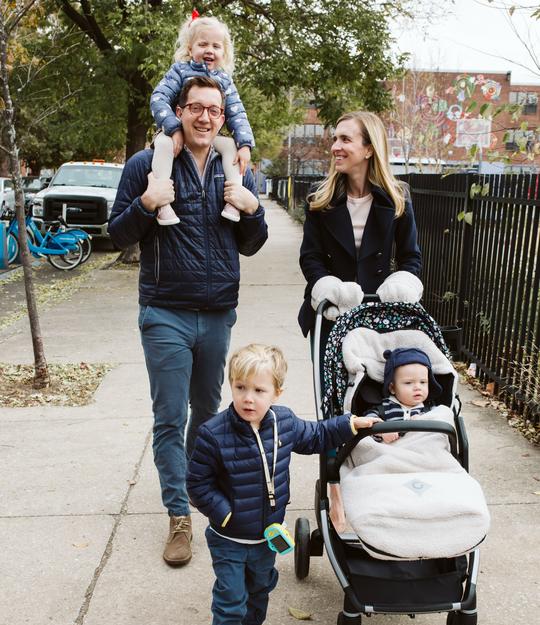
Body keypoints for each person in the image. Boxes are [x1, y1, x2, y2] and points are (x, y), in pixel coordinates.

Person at [108, 76, 268, 568]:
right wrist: (147, 203)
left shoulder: (235, 167)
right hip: (165, 312)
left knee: (207, 409)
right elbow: (116, 234)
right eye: (194, 107)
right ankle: (179, 516)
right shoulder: (146, 164)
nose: (203, 117)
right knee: (170, 417)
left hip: (218, 311)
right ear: (179, 111)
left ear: (223, 118)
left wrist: (254, 209)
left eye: (213, 110)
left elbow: (251, 243)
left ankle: (196, 486)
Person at [186, 344, 377, 625]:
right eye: (240, 387)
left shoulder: (284, 422)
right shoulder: (213, 434)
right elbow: (197, 484)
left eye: (259, 390)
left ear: (276, 393)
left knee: (261, 586)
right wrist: (224, 513)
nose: (248, 398)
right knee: (230, 597)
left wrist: (350, 424)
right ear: (231, 385)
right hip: (228, 538)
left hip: (267, 536)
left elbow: (317, 436)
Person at [297, 110, 423, 532]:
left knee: (380, 401)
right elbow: (310, 257)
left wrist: (401, 284)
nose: (336, 146)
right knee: (335, 407)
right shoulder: (321, 200)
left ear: (368, 149)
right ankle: (335, 489)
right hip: (332, 317)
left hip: (379, 318)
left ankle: (382, 483)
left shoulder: (397, 198)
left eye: (346, 139)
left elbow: (411, 259)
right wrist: (329, 287)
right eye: (335, 138)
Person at [150, 12, 254, 225]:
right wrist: (172, 128)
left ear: (223, 53)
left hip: (207, 136)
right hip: (178, 132)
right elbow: (159, 98)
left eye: (216, 46)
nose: (209, 50)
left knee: (230, 148)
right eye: (203, 44)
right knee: (162, 145)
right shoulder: (179, 71)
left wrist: (245, 144)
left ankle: (234, 200)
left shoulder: (224, 80)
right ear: (190, 48)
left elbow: (237, 112)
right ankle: (163, 204)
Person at [365, 347, 442, 443]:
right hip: (394, 452)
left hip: (422, 448)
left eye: (423, 382)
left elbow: (441, 423)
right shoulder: (385, 408)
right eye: (408, 383)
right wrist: (382, 431)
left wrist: (424, 419)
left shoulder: (430, 409)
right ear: (392, 388)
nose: (418, 387)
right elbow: (368, 421)